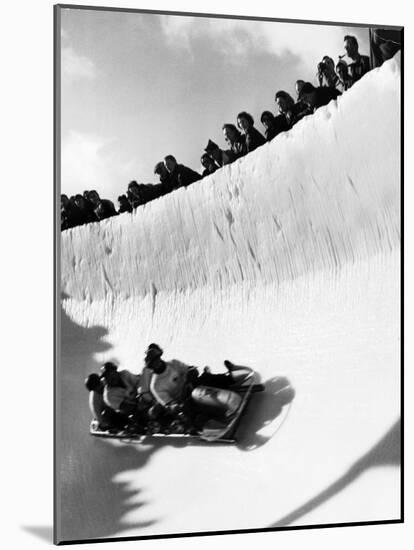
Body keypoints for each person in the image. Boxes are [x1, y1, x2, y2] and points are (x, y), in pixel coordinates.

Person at [139, 344, 251, 417]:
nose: (157, 363)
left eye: (157, 359)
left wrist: (191, 375)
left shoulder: (173, 363)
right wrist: (175, 406)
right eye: (154, 363)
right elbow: (168, 403)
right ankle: (216, 418)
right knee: (191, 410)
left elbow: (190, 369)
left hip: (194, 385)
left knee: (206, 379)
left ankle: (230, 379)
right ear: (151, 367)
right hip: (184, 400)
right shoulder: (155, 385)